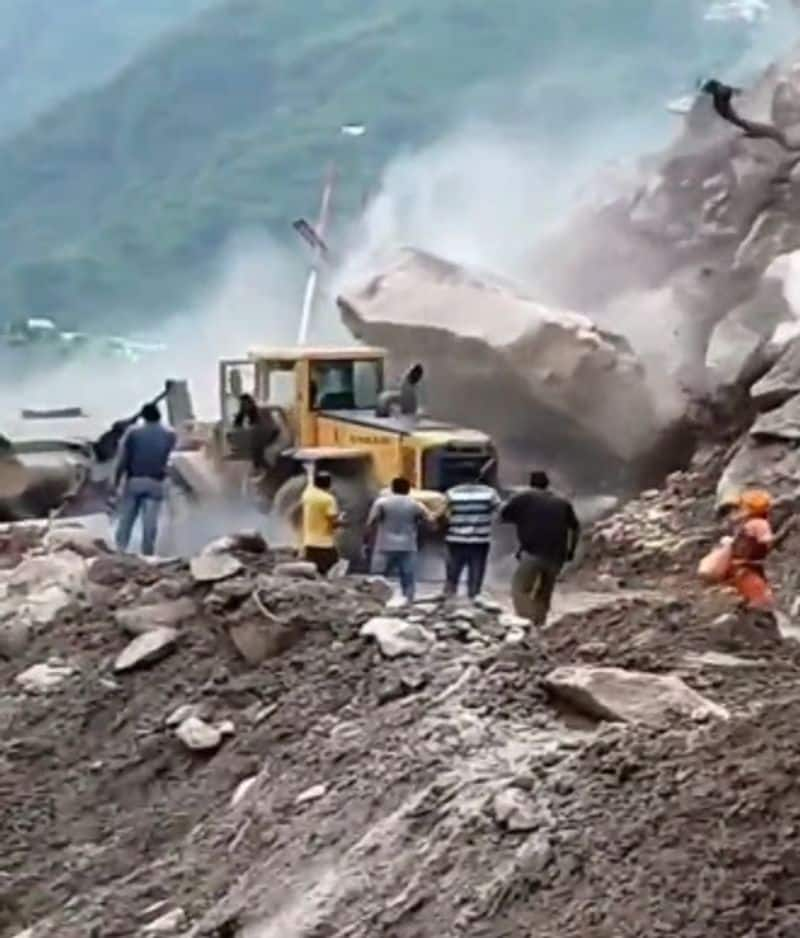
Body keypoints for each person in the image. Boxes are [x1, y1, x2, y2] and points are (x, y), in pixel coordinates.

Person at [500, 470, 580, 626]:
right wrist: (571, 550)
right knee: (544, 592)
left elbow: (503, 517)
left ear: (531, 483)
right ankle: (540, 623)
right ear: (547, 484)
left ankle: (527, 621)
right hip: (557, 555)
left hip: (532, 552)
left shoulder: (523, 498)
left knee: (520, 589)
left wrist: (521, 519)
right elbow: (575, 528)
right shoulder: (562, 502)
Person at [114, 403, 176, 556]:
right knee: (150, 524)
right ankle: (148, 555)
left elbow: (122, 459)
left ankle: (119, 552)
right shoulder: (170, 434)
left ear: (143, 417)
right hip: (156, 483)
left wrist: (115, 481)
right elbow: (169, 458)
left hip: (134, 481)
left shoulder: (133, 433)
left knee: (126, 521)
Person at [367, 477, 432, 603]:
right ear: (408, 489)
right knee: (408, 578)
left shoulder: (382, 503)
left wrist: (367, 540)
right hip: (407, 546)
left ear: (392, 488)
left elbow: (371, 523)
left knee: (378, 577)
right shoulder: (415, 504)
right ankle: (408, 603)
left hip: (384, 545)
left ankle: (376, 603)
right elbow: (430, 522)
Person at [444, 469, 501, 600]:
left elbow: (445, 515)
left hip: (455, 538)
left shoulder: (452, 493)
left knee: (453, 570)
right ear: (478, 477)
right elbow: (499, 512)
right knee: (476, 570)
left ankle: (449, 599)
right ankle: (474, 598)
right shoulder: (490, 493)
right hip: (480, 540)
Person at [726, 489, 775, 609]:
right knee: (762, 601)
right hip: (749, 568)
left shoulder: (746, 525)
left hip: (739, 567)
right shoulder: (759, 524)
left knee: (751, 597)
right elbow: (768, 541)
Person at [300, 471, 341, 575]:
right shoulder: (328, 499)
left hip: (308, 543)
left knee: (313, 573)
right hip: (324, 544)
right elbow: (333, 521)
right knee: (334, 570)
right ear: (329, 484)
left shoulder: (307, 494)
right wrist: (343, 522)